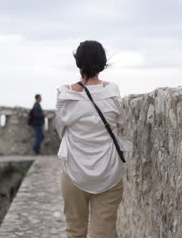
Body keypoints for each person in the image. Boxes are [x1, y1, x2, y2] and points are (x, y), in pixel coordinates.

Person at [55, 40, 126, 238]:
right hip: (109, 172)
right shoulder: (112, 91)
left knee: (75, 231)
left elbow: (60, 130)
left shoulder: (66, 94)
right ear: (102, 63)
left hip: (74, 171)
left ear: (78, 63)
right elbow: (119, 124)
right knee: (103, 234)